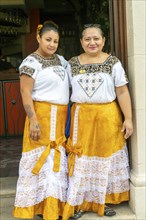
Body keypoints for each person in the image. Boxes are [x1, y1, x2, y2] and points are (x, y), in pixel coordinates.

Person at [62, 24, 133, 219]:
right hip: (81, 118)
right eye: (87, 39)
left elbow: (122, 91)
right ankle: (81, 202)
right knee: (82, 159)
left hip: (108, 117)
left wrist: (128, 119)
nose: (92, 42)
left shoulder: (113, 62)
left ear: (103, 40)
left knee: (106, 158)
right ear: (81, 42)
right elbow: (63, 92)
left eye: (96, 39)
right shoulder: (72, 64)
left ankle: (104, 200)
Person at [13, 20, 70, 220]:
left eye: (55, 41)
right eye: (48, 39)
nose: (52, 44)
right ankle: (41, 209)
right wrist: (33, 119)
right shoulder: (30, 62)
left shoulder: (62, 60)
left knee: (57, 161)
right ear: (38, 38)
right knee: (42, 160)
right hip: (42, 117)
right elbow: (25, 91)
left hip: (61, 118)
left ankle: (56, 208)